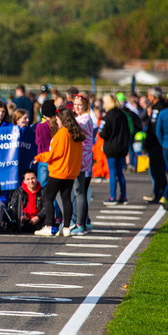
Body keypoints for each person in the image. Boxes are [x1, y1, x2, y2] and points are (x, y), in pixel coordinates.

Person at [33, 108, 85, 237]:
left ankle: (50, 226)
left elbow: (55, 153)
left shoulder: (62, 133)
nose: (56, 122)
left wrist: (39, 157)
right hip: (71, 172)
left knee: (48, 198)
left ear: (62, 119)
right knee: (66, 198)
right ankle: (66, 227)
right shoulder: (76, 134)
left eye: (57, 119)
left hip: (58, 171)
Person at [98, 94, 130, 205]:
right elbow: (127, 131)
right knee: (120, 173)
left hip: (111, 148)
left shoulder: (107, 117)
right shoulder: (123, 115)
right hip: (122, 147)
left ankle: (113, 197)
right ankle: (123, 196)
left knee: (112, 173)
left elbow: (102, 133)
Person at [70, 95, 95, 236]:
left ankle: (80, 223)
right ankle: (81, 221)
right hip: (81, 157)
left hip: (81, 158)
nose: (76, 107)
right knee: (79, 191)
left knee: (79, 191)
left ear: (86, 105)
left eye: (80, 105)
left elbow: (72, 127)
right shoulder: (83, 118)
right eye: (75, 104)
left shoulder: (85, 118)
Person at [143, 87, 168, 204]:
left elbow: (153, 128)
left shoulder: (158, 108)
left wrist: (147, 143)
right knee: (160, 170)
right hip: (159, 143)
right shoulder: (162, 106)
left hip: (156, 144)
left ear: (154, 96)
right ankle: (163, 193)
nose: (148, 98)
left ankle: (159, 194)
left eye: (149, 95)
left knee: (157, 170)